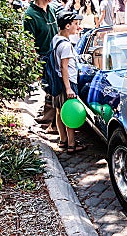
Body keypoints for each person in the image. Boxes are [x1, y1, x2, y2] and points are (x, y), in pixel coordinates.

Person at [23, 0, 58, 134]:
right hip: (43, 58)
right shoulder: (30, 15)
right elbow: (29, 43)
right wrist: (36, 65)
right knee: (50, 90)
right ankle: (49, 125)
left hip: (56, 55)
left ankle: (53, 123)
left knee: (56, 90)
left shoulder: (51, 9)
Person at [52, 11, 86, 154]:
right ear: (67, 26)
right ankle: (72, 144)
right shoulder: (66, 45)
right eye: (75, 24)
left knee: (60, 111)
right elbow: (64, 66)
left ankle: (63, 140)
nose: (77, 27)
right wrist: (68, 88)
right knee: (70, 111)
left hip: (57, 81)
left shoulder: (56, 38)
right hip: (68, 82)